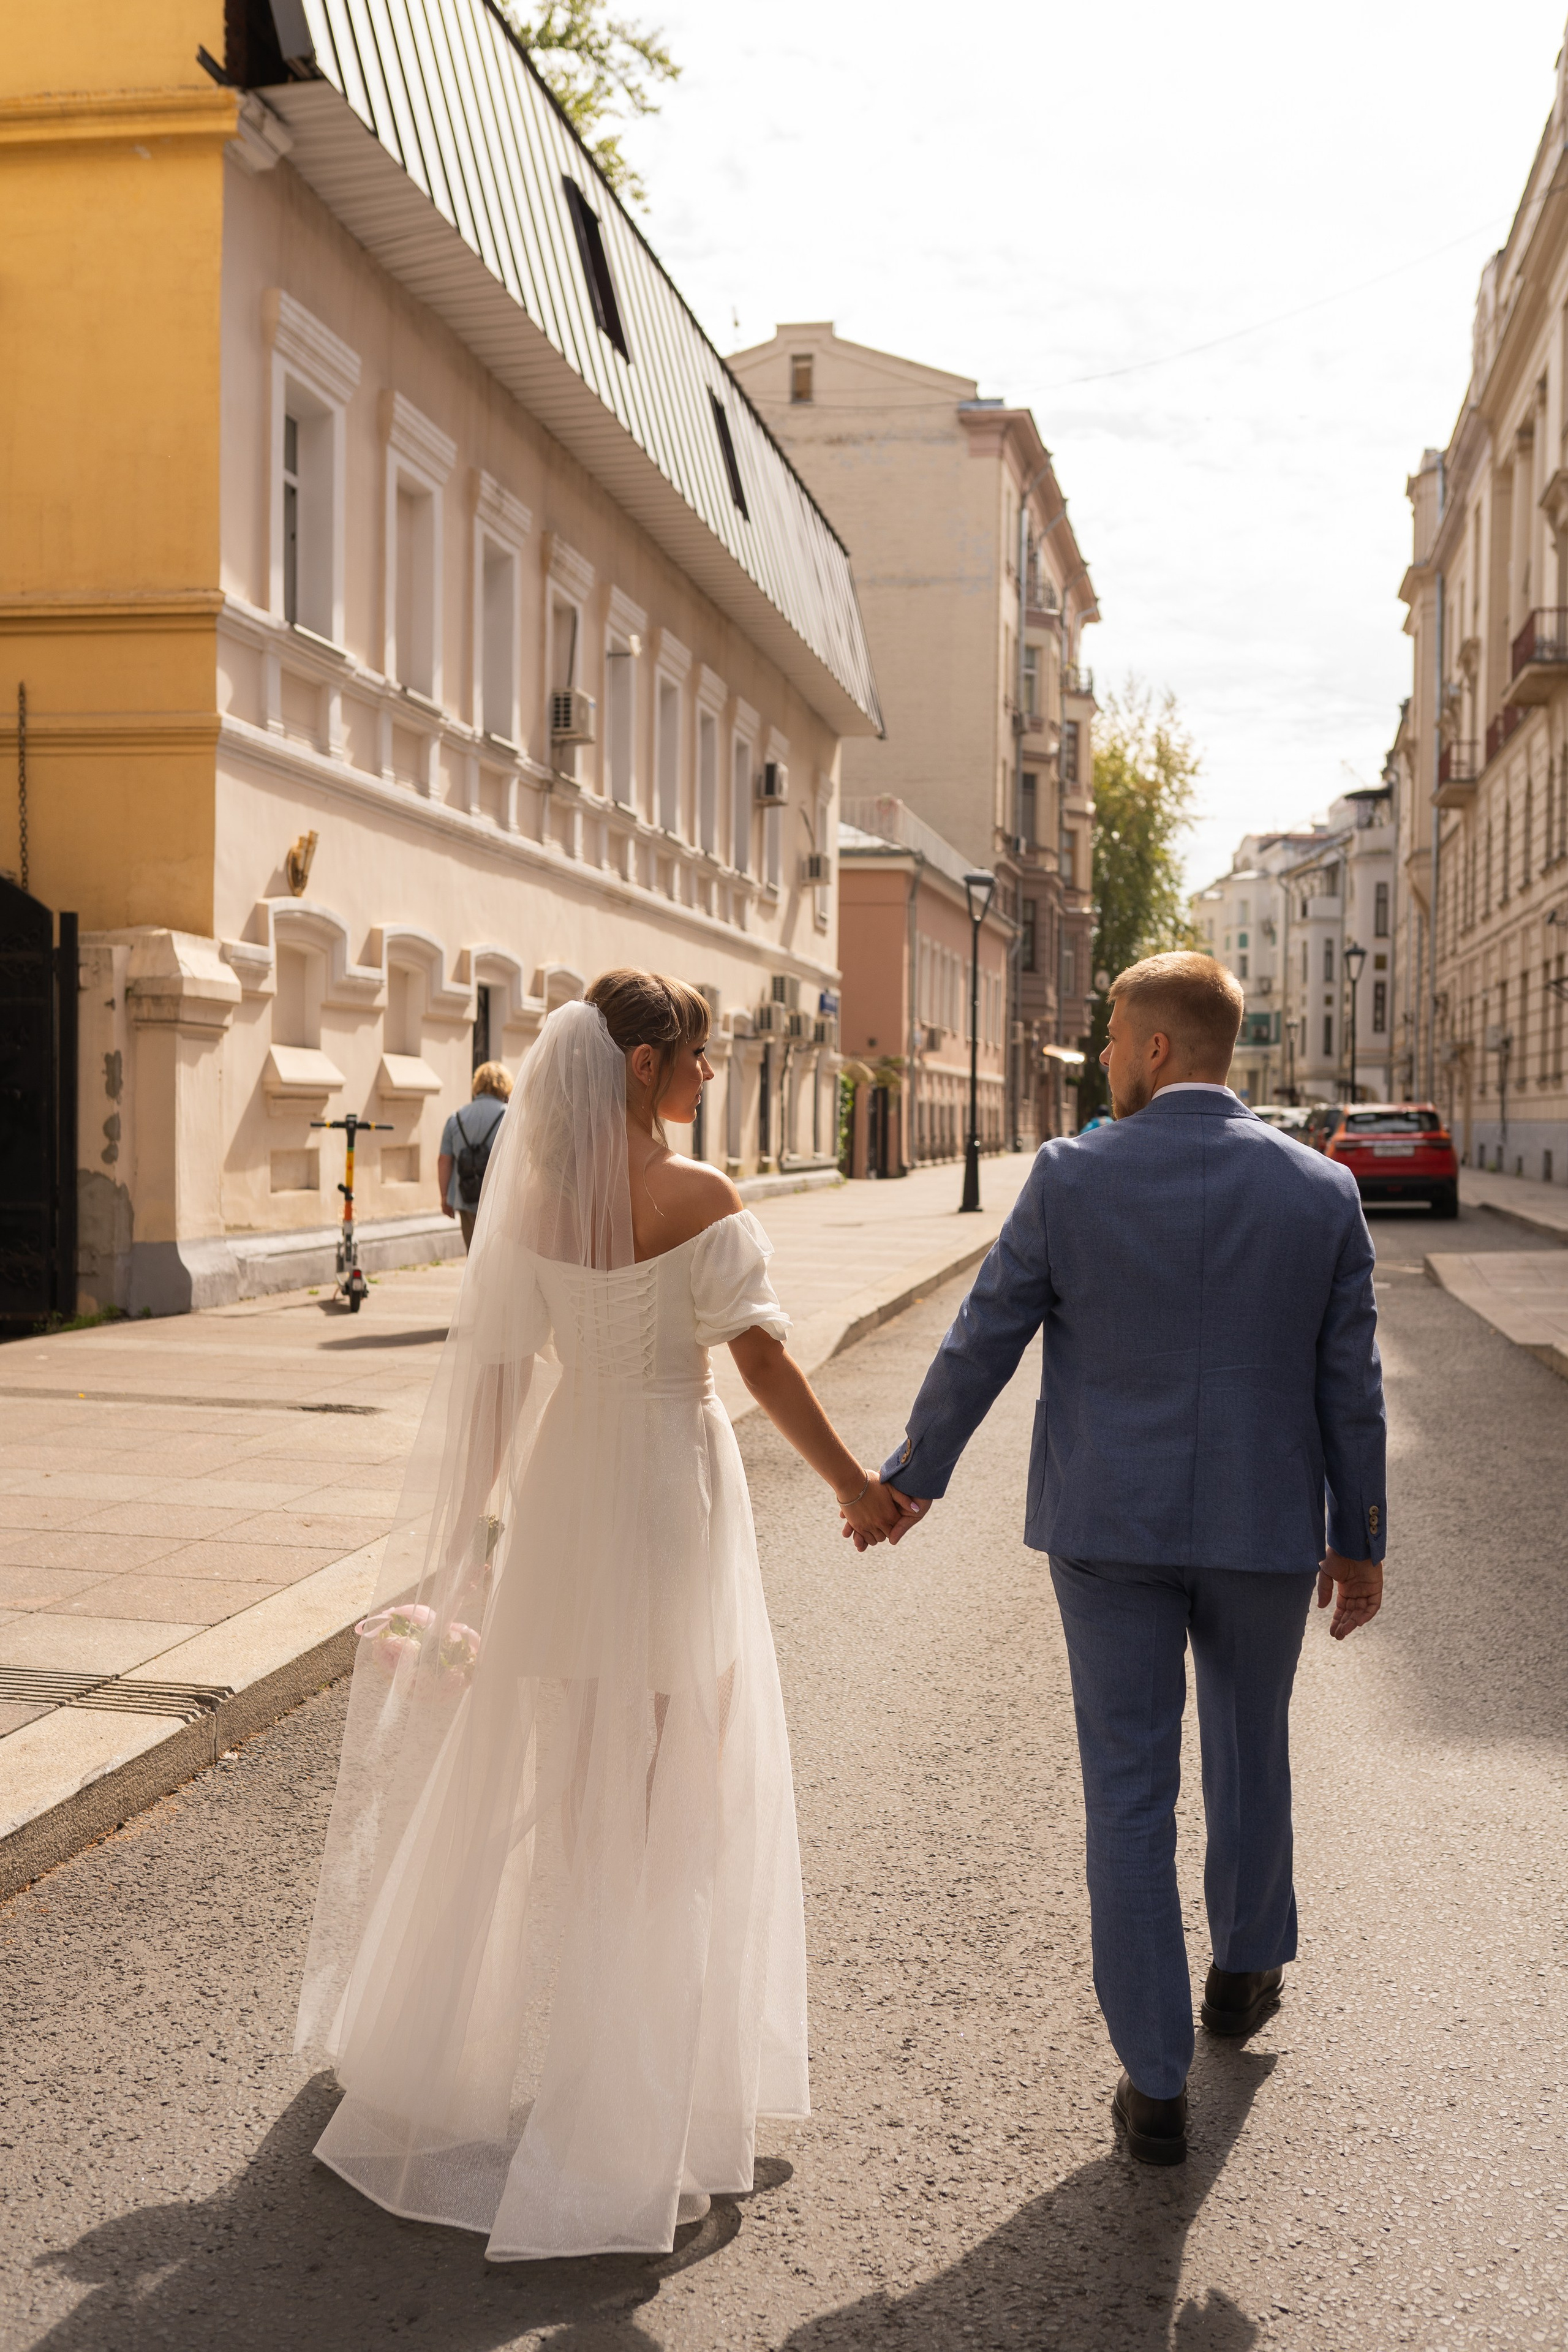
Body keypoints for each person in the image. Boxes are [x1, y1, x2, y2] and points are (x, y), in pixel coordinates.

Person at [296, 971, 895, 2258]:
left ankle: (530, 2064)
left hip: (571, 1489)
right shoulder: (700, 1200)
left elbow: (497, 1388)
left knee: (572, 1794)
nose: (710, 1072)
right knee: (674, 1788)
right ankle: (628, 2113)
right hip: (668, 1491)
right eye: (699, 1055)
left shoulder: (536, 1210)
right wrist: (855, 1484)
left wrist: (459, 1551)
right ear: (641, 1065)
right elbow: (762, 1360)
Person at [854, 951, 1387, 2166]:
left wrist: (907, 1481)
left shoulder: (1069, 1176)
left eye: (1107, 1037)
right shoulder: (1319, 1192)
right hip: (1259, 1530)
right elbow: (1346, 1388)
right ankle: (1242, 1977)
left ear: (1153, 1050)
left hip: (1109, 1530)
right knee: (1250, 1750)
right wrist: (1355, 1546)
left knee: (1127, 1796)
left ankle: (1153, 2085)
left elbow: (983, 1333)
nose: (1098, 1057)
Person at [438, 1060, 513, 1249]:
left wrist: (445, 1197)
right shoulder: (510, 1116)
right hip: (501, 1201)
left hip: (467, 1197)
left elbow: (444, 1160)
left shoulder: (456, 1118)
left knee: (474, 1257)